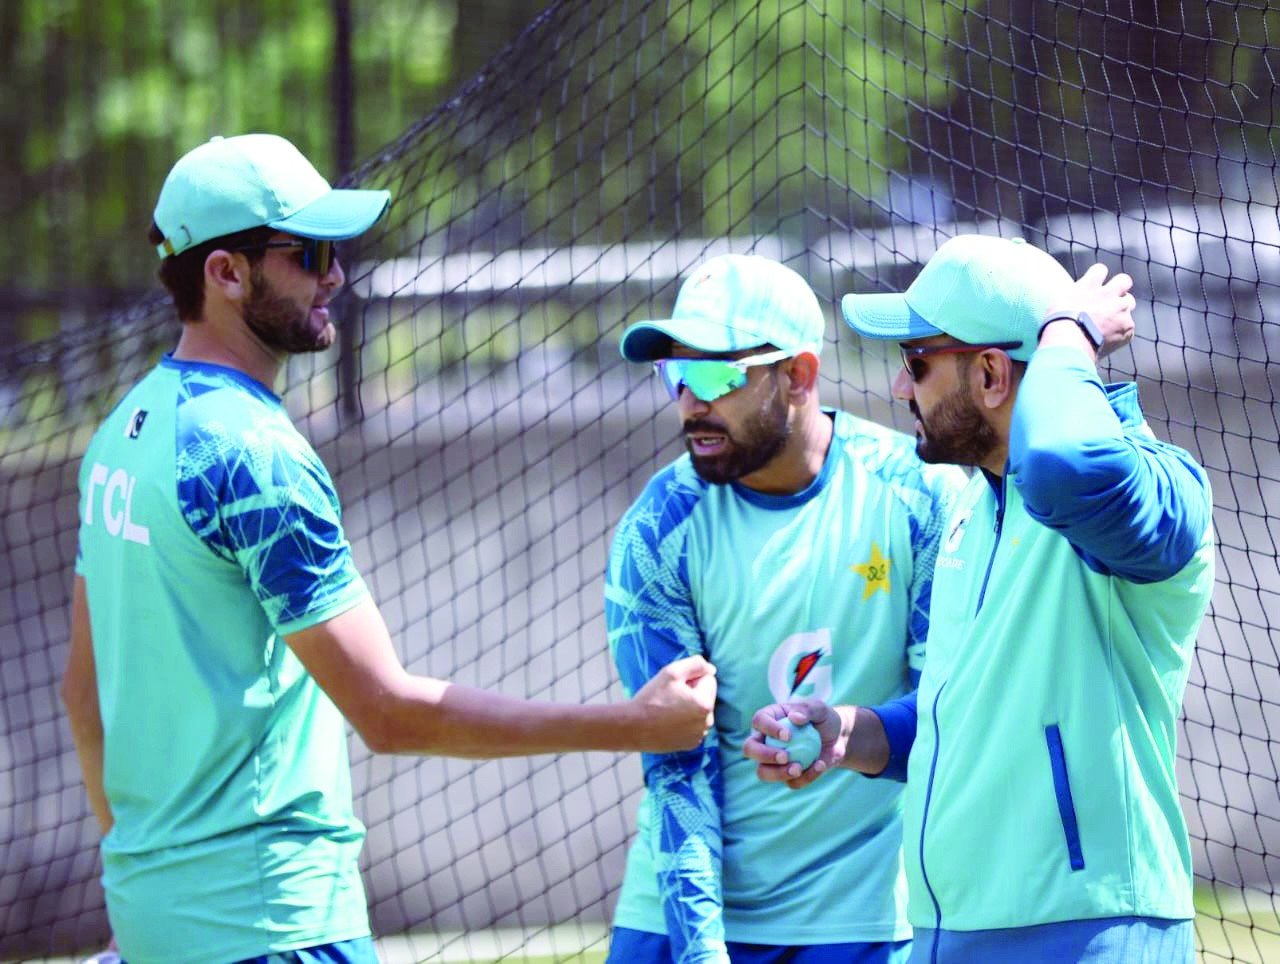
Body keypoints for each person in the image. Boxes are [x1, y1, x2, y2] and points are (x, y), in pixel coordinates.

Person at [60, 133, 718, 964]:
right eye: (308, 252)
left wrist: (149, 892)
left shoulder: (121, 435)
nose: (335, 273)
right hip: (276, 929)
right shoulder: (252, 456)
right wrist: (635, 724)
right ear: (225, 273)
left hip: (158, 922)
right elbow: (389, 712)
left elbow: (83, 695)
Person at [745, 235, 1215, 964]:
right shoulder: (971, 504)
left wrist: (1070, 334)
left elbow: (1063, 461)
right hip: (954, 937)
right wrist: (852, 733)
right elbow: (965, 716)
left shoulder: (1147, 485)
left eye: (917, 363)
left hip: (1088, 935)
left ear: (992, 374)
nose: (901, 388)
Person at [604, 254, 966, 963]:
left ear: (798, 376)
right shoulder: (657, 531)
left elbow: (947, 716)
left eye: (713, 375)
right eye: (675, 375)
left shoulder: (920, 497)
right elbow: (678, 765)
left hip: (856, 924)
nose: (688, 403)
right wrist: (703, 954)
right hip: (678, 919)